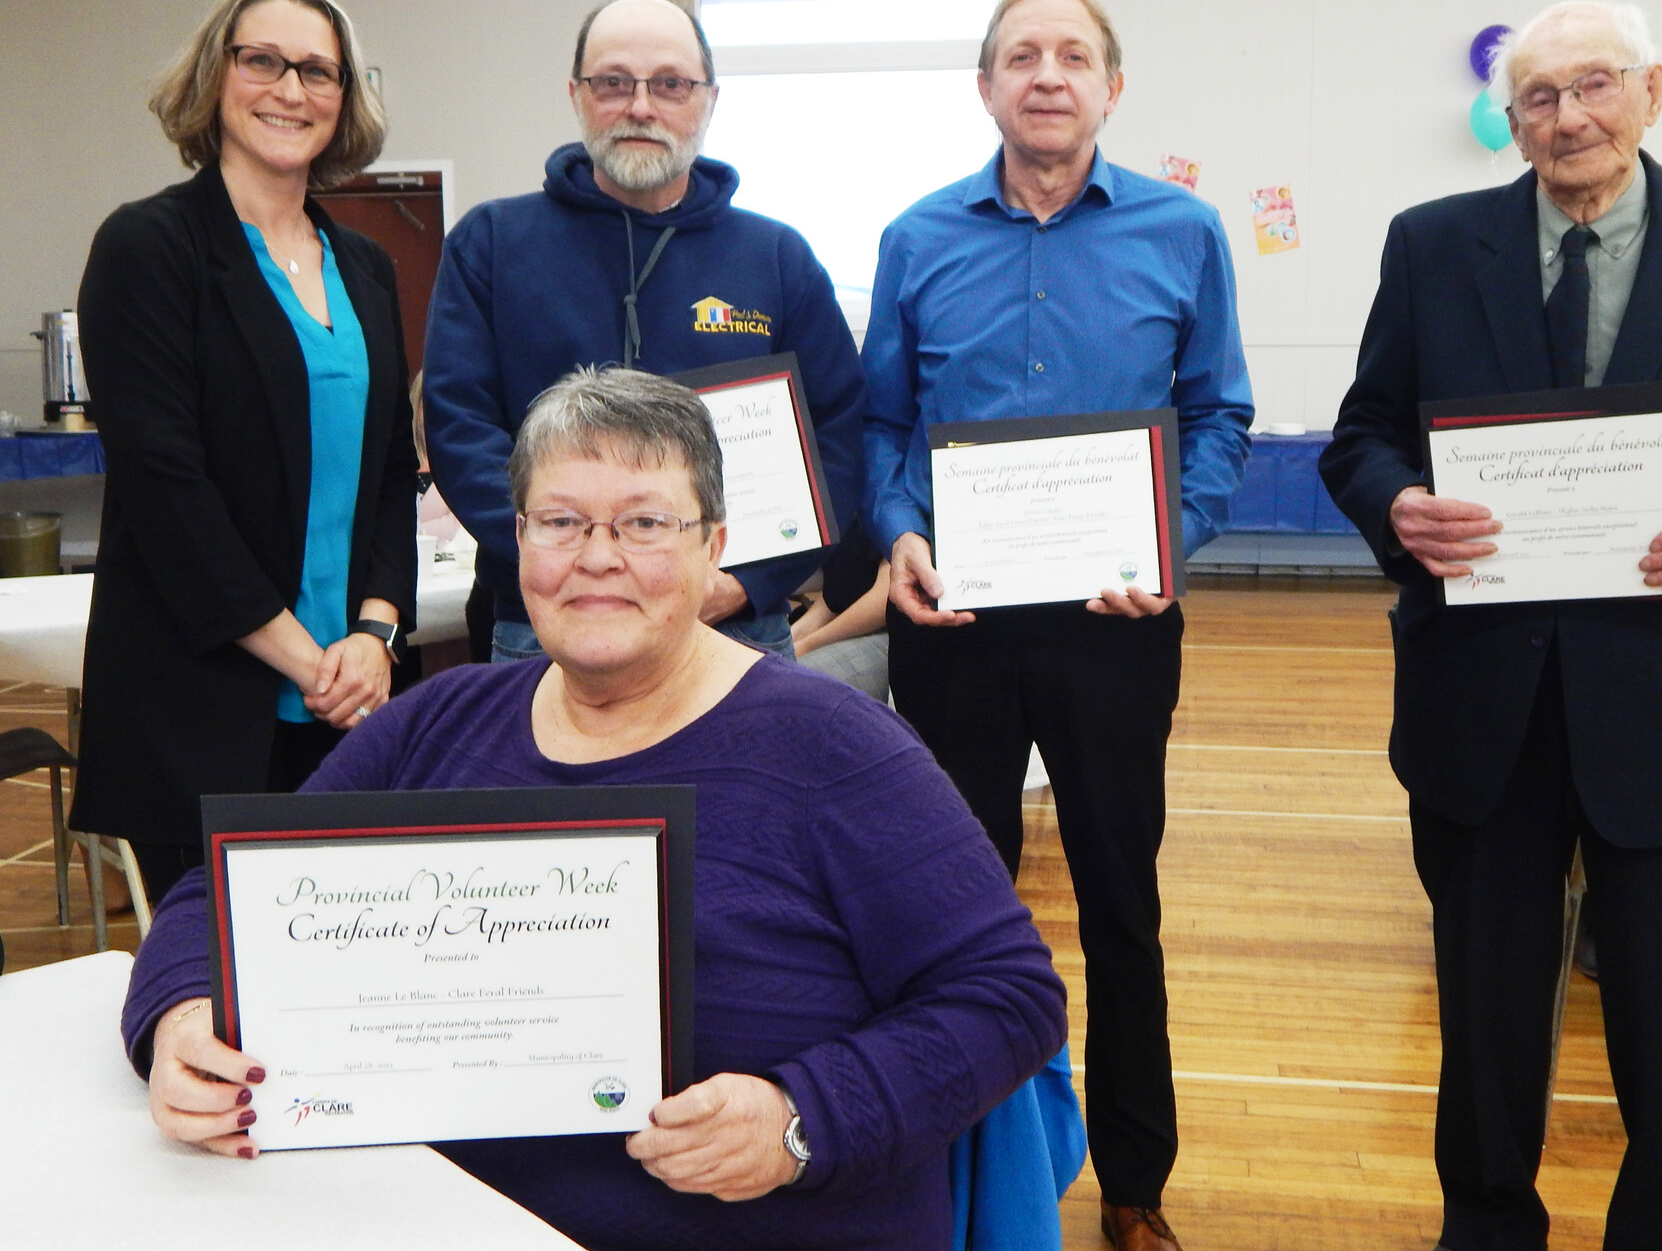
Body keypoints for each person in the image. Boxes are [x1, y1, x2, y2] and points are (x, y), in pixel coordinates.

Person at [120, 367, 1065, 1251]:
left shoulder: (835, 750)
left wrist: (799, 1120)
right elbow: (226, 895)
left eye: (646, 523)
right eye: (561, 522)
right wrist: (180, 1021)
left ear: (714, 551)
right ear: (518, 540)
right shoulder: (435, 728)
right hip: (428, 1219)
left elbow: (1008, 996)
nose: (597, 559)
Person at [1319, 0, 1662, 1251]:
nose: (1569, 117)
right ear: (1509, 124)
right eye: (1540, 99)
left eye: (1594, 87)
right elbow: (1363, 436)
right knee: (1488, 1022)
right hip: (1479, 700)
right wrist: (1398, 503)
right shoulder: (1433, 245)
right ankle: (1488, 1230)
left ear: (1652, 93)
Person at [862, 0, 1253, 1251]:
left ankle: (1135, 1187)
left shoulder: (1183, 232)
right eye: (1020, 55)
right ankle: (962, 1164)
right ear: (986, 87)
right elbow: (877, 421)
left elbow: (1218, 415)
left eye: (1072, 55)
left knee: (1119, 904)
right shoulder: (918, 237)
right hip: (954, 625)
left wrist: (1171, 545)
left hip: (1118, 622)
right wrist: (897, 530)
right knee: (952, 906)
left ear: (1110, 86)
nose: (1046, 75)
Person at [71, 0, 418, 906]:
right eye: (261, 61)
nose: (289, 90)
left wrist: (375, 636)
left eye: (317, 71)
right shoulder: (149, 248)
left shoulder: (367, 266)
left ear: (345, 99)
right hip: (204, 704)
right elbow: (165, 490)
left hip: (351, 700)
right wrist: (313, 664)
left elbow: (392, 468)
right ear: (215, 78)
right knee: (220, 999)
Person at [424, 0, 863, 665]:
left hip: (731, 625)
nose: (640, 105)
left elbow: (836, 438)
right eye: (613, 82)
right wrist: (567, 563)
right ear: (576, 95)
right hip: (547, 622)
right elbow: (461, 429)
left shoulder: (776, 257)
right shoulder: (491, 243)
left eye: (670, 84)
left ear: (709, 99)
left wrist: (745, 581)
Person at [791, 519, 891, 701]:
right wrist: (792, 639)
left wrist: (805, 646)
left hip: (900, 631)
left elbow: (884, 598)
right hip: (857, 619)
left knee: (789, 686)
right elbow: (838, 594)